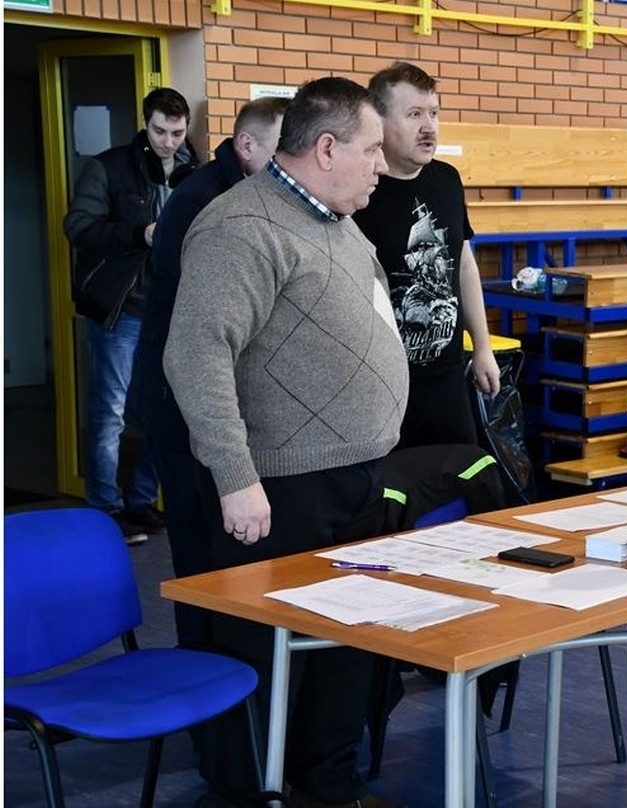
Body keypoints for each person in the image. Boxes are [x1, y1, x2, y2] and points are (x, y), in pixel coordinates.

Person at [164, 77, 406, 808]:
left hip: (357, 473)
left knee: (345, 644)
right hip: (279, 485)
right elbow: (197, 355)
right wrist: (236, 476)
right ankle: (248, 790)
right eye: (371, 149)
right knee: (261, 650)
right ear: (326, 149)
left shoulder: (340, 221)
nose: (382, 164)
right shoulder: (242, 227)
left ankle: (329, 781)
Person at [129, 96, 289, 648]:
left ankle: (232, 657)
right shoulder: (205, 201)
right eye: (282, 148)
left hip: (212, 395)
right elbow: (197, 328)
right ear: (247, 145)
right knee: (198, 544)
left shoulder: (245, 191)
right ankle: (202, 662)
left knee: (225, 543)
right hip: (180, 398)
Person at [63, 86, 198, 540]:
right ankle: (105, 510)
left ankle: (141, 502)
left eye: (177, 133)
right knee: (111, 412)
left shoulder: (195, 169)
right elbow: (78, 227)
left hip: (170, 309)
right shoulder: (108, 166)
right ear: (145, 123)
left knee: (160, 409)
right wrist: (140, 234)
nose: (168, 142)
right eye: (160, 131)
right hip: (121, 308)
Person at [354, 61, 500, 448]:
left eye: (433, 113)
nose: (429, 127)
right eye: (414, 114)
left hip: (446, 377)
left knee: (461, 474)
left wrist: (482, 347)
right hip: (382, 385)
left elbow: (463, 265)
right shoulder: (358, 192)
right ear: (379, 121)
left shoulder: (447, 180)